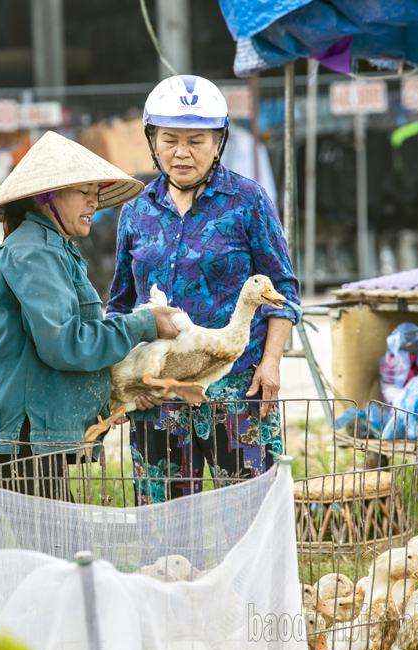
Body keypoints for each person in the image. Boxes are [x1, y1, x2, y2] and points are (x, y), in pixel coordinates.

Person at [107, 75, 301, 504]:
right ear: (152, 140)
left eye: (197, 140)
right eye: (169, 139)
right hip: (159, 391)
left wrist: (270, 364)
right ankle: (171, 574)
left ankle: (254, 576)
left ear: (219, 142)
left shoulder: (247, 201)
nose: (182, 152)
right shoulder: (136, 210)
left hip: (237, 388)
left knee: (251, 507)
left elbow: (283, 290)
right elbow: (120, 303)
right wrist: (118, 384)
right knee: (164, 518)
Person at [0, 131, 181, 501]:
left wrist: (124, 390)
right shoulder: (33, 252)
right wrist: (146, 323)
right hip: (21, 437)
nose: (94, 201)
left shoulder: (58, 250)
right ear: (47, 196)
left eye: (97, 191)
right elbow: (66, 344)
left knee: (56, 550)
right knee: (60, 552)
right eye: (84, 191)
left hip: (33, 436)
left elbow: (82, 341)